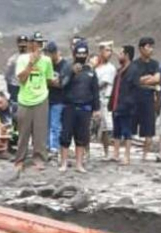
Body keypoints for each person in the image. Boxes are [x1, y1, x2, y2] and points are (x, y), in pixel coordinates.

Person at [14, 31, 54, 174]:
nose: (39, 46)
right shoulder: (22, 59)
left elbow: (49, 79)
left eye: (41, 43)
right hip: (25, 99)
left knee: (40, 131)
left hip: (41, 97)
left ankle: (40, 159)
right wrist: (31, 63)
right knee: (23, 132)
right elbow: (21, 78)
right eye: (37, 43)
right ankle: (20, 160)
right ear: (31, 44)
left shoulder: (47, 61)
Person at [58, 41, 100, 173]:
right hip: (69, 107)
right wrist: (71, 73)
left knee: (82, 138)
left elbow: (95, 91)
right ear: (74, 54)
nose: (81, 55)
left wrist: (96, 109)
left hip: (85, 108)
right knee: (65, 136)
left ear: (87, 54)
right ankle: (63, 163)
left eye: (84, 53)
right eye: (79, 53)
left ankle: (79, 164)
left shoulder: (91, 72)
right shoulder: (67, 67)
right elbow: (62, 84)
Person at [108, 45, 138, 165]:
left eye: (121, 54)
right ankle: (115, 154)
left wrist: (129, 103)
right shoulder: (120, 70)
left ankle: (127, 156)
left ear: (126, 55)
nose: (118, 56)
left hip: (127, 106)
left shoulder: (133, 70)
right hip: (117, 104)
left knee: (127, 131)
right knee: (116, 130)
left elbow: (135, 89)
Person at [132, 37, 160, 161]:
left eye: (152, 47)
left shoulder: (155, 64)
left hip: (149, 99)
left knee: (149, 129)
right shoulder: (135, 64)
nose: (151, 49)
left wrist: (143, 80)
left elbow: (157, 79)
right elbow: (134, 81)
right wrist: (147, 79)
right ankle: (129, 153)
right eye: (148, 47)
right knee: (131, 126)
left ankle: (145, 155)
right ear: (141, 48)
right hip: (135, 99)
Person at [46, 41, 71, 156]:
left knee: (55, 125)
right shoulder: (47, 63)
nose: (48, 57)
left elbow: (61, 83)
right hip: (46, 98)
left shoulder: (65, 65)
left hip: (59, 100)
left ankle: (54, 148)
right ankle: (46, 146)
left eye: (50, 54)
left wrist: (50, 82)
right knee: (46, 124)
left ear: (55, 53)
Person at [94, 41, 117, 159]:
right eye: (107, 50)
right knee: (92, 127)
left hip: (105, 100)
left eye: (110, 51)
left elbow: (101, 84)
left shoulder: (110, 68)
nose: (109, 53)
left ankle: (108, 152)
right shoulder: (96, 67)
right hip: (94, 99)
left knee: (107, 128)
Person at [5, 35, 29, 105]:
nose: (23, 47)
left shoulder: (31, 58)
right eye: (21, 45)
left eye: (24, 45)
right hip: (15, 86)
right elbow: (7, 75)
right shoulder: (12, 59)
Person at [0, 91, 16, 156]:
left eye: (1, 102)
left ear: (5, 98)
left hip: (15, 132)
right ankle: (2, 151)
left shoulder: (15, 107)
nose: (0, 105)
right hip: (4, 133)